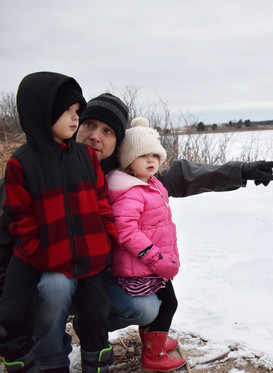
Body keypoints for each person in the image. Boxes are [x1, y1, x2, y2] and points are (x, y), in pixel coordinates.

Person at [0, 91, 273, 372]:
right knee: (55, 284)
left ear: (119, 142)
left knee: (150, 306)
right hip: (51, 277)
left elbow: (179, 176)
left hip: (96, 279)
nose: (95, 136)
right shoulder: (35, 167)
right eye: (89, 125)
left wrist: (240, 171)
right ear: (75, 125)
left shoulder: (123, 174)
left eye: (108, 131)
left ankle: (94, 326)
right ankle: (50, 353)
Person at [0, 72, 117, 372]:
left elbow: (101, 200)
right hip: (46, 255)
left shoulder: (85, 157)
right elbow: (21, 215)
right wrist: (38, 250)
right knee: (13, 311)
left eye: (77, 111)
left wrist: (106, 236)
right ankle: (32, 361)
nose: (75, 118)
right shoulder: (21, 162)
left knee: (96, 311)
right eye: (67, 111)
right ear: (43, 112)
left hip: (89, 254)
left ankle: (96, 360)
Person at [107, 117, 186, 370]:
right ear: (129, 161)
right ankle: (154, 356)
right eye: (143, 156)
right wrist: (155, 257)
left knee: (166, 303)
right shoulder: (130, 191)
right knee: (168, 304)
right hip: (142, 266)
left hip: (153, 263)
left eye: (155, 154)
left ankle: (155, 344)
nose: (151, 160)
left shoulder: (151, 184)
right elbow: (125, 231)